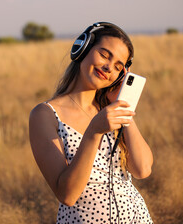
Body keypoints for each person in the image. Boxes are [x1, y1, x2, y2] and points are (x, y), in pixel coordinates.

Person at [29, 22, 153, 224]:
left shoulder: (111, 111)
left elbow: (142, 169)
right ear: (82, 49)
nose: (108, 67)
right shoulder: (45, 114)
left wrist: (123, 106)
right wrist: (94, 132)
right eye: (105, 55)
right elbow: (67, 195)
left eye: (118, 67)